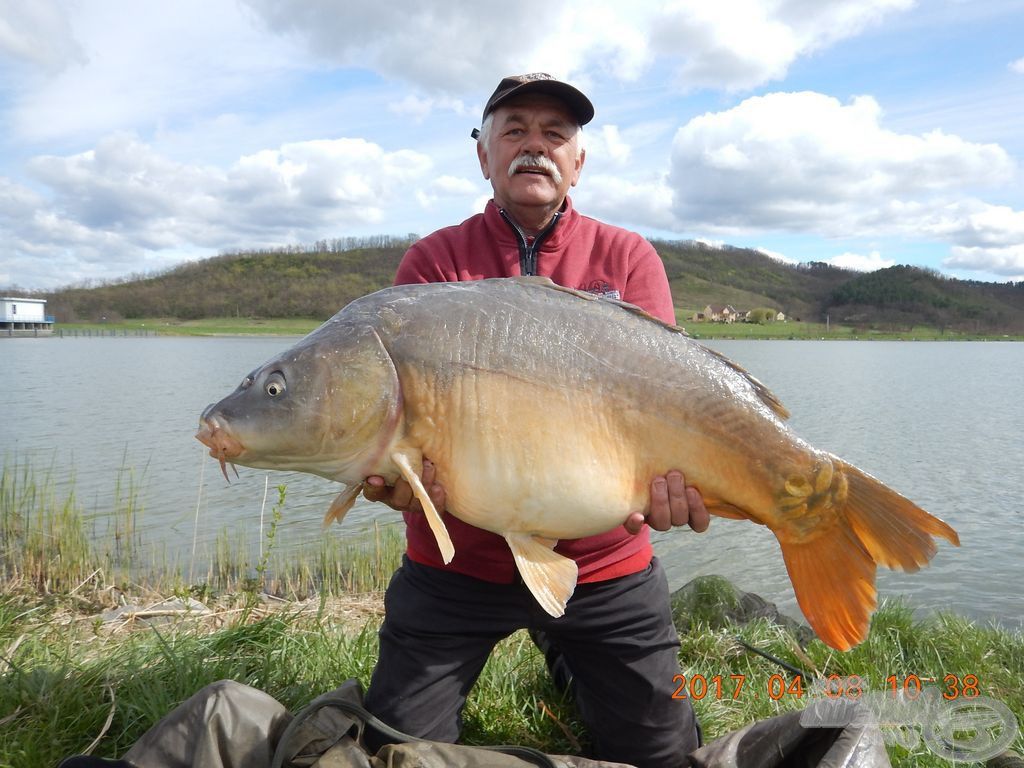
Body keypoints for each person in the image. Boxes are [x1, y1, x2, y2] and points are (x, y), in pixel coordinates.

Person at [360, 73, 710, 768]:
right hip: (455, 565)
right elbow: (397, 421)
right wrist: (393, 474)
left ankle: (570, 646)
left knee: (665, 757)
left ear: (579, 161)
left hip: (607, 564)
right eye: (514, 129)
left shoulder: (628, 258)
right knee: (391, 753)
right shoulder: (434, 264)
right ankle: (554, 650)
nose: (535, 146)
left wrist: (671, 481)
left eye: (556, 134)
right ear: (483, 154)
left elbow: (663, 410)